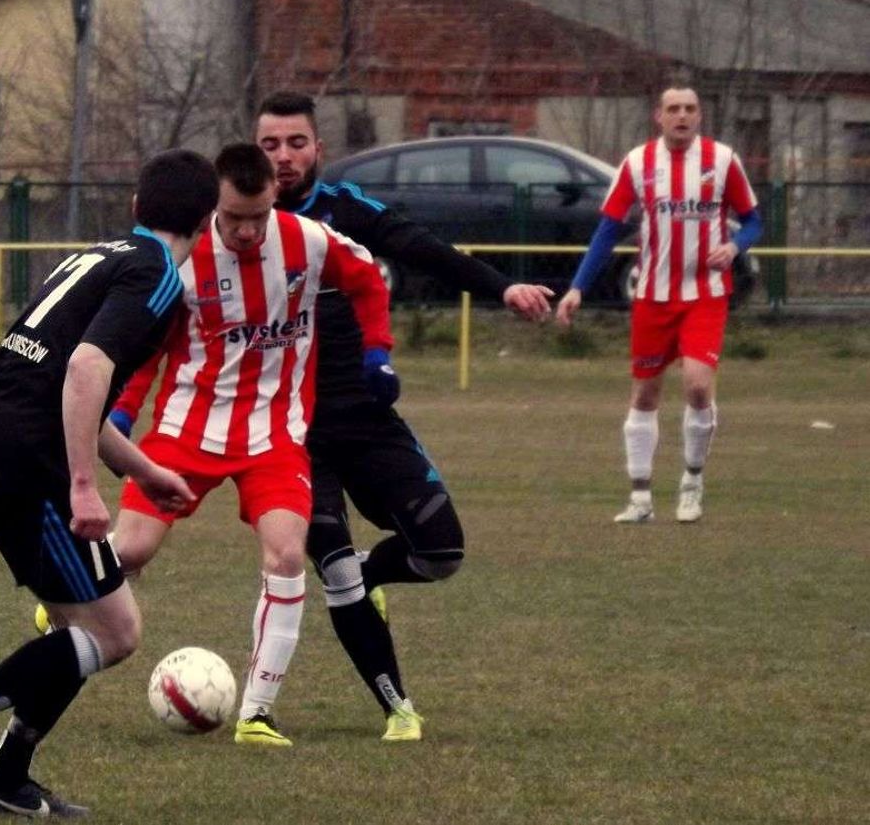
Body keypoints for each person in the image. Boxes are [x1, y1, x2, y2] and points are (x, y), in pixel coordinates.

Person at [0, 149, 219, 818]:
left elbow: (68, 388)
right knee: (116, 629)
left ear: (136, 204)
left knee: (78, 626)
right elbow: (85, 370)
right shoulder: (157, 275)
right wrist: (83, 486)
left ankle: (7, 779)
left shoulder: (100, 255)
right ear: (207, 221)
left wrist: (141, 470)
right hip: (22, 458)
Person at [253, 91, 554, 741]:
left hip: (364, 414)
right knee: (328, 561)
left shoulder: (345, 212)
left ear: (318, 149)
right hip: (289, 432)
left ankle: (368, 573)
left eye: (295, 143)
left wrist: (502, 286)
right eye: (270, 145)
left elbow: (424, 249)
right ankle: (398, 708)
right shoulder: (235, 223)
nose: (283, 156)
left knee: (442, 551)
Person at [107, 143, 393, 748]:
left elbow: (368, 281)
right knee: (129, 552)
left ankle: (256, 713)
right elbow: (148, 344)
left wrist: (377, 352)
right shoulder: (180, 258)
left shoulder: (310, 241)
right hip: (186, 429)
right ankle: (72, 593)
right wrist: (126, 409)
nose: (245, 229)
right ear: (215, 202)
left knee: (288, 556)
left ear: (273, 200)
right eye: (234, 216)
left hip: (276, 434)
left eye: (257, 217)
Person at [556, 82, 762, 523]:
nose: (682, 116)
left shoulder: (723, 161)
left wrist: (736, 246)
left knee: (697, 386)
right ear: (659, 116)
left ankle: (691, 483)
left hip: (705, 293)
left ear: (699, 116)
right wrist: (578, 287)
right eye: (674, 109)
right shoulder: (637, 163)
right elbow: (609, 229)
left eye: (689, 108)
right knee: (645, 394)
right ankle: (641, 499)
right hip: (652, 296)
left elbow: (754, 221)